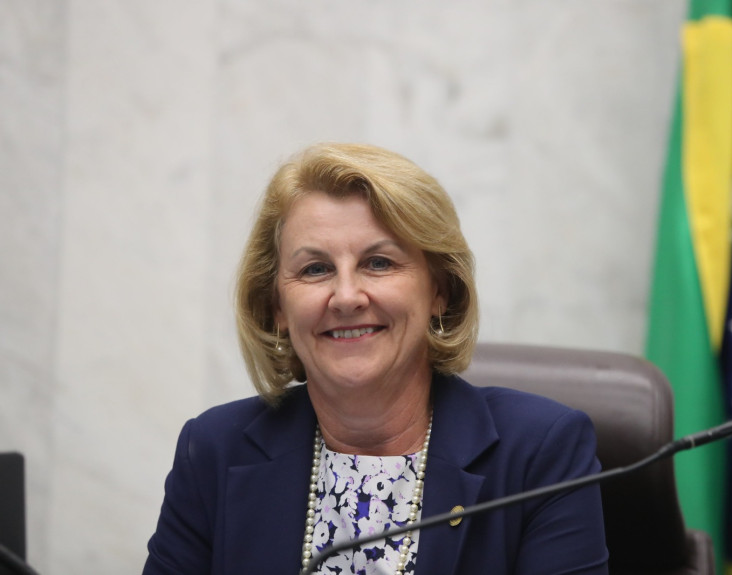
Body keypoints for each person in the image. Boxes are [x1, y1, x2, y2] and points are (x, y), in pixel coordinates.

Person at [143, 143, 608, 575]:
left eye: (379, 263)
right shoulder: (213, 451)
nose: (346, 296)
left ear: (440, 291)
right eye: (316, 269)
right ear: (277, 307)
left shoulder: (540, 455)